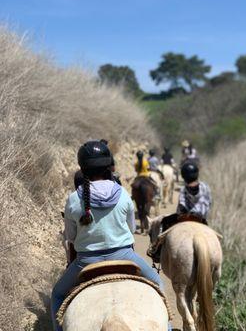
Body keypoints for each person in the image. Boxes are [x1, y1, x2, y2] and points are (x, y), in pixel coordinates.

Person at [52, 140, 166, 331]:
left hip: (86, 261)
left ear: (83, 167)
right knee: (158, 284)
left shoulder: (73, 199)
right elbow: (130, 229)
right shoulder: (122, 193)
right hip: (125, 256)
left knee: (56, 295)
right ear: (108, 165)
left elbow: (70, 237)